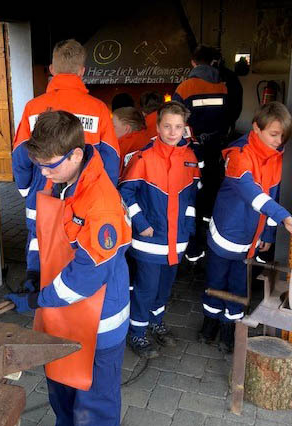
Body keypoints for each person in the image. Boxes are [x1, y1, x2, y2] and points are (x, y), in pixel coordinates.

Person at [6, 111, 131, 426]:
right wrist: (34, 274)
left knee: (92, 411)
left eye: (49, 166)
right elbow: (40, 235)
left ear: (76, 154)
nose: (44, 174)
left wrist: (38, 301)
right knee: (62, 397)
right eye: (39, 166)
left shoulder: (100, 204)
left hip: (97, 322)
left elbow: (86, 277)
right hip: (61, 313)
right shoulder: (56, 180)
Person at [200, 102, 292, 353]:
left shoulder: (276, 158)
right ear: (256, 128)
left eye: (282, 135)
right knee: (217, 279)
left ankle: (230, 327)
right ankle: (210, 321)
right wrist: (286, 219)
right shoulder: (238, 154)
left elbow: (273, 193)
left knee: (240, 283)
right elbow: (254, 195)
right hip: (226, 231)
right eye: (274, 134)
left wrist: (269, 232)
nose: (279, 140)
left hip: (253, 234)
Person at [11, 39, 120, 280]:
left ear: (52, 69)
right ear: (82, 71)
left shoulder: (33, 107)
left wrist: (26, 189)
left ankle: (38, 296)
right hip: (85, 196)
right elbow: (111, 158)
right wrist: (105, 193)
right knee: (77, 248)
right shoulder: (99, 108)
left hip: (43, 190)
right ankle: (68, 300)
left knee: (39, 243)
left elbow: (20, 153)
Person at [119, 102, 200, 358]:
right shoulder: (144, 157)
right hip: (149, 241)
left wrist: (188, 228)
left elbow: (192, 199)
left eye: (178, 127)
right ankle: (138, 333)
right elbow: (125, 193)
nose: (173, 132)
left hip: (177, 240)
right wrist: (141, 224)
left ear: (184, 128)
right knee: (145, 289)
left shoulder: (189, 157)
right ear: (157, 127)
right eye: (167, 126)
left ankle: (156, 323)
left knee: (164, 288)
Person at [173, 45, 230, 263]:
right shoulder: (223, 87)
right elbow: (228, 118)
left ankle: (193, 245)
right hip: (215, 150)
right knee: (211, 193)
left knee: (191, 195)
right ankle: (213, 240)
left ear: (193, 63)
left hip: (193, 152)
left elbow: (176, 123)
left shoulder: (186, 87)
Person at [112, 106, 151, 170]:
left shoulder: (120, 148)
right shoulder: (150, 141)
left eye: (113, 126)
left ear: (127, 128)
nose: (110, 129)